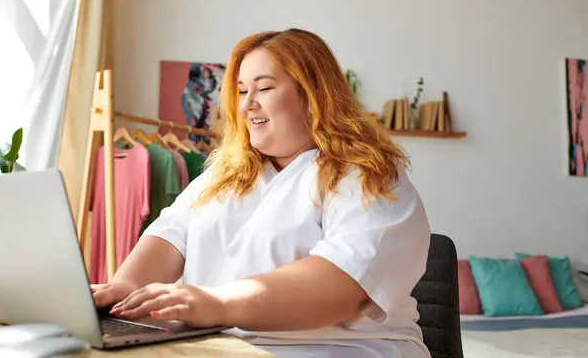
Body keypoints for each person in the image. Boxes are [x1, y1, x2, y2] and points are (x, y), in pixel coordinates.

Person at [91, 28, 432, 358]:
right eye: (241, 91)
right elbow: (171, 235)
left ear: (312, 96)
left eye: (264, 88)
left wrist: (215, 304)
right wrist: (125, 290)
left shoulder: (369, 177)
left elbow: (341, 285)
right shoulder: (222, 176)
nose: (247, 106)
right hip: (220, 348)